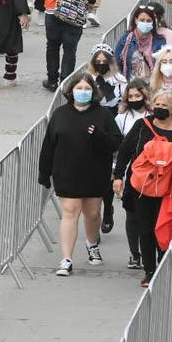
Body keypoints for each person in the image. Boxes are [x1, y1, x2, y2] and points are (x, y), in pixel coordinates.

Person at [112, 86, 172, 286]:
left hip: (170, 190)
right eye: (157, 104)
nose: (160, 108)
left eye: (165, 105)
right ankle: (150, 271)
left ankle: (163, 265)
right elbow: (125, 151)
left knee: (166, 226)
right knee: (145, 228)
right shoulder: (141, 125)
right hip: (142, 187)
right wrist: (118, 177)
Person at [40, 71, 123, 276]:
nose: (83, 92)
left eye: (87, 89)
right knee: (70, 212)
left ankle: (92, 244)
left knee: (92, 214)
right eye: (79, 88)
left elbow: (116, 142)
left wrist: (99, 135)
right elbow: (48, 145)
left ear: (93, 92)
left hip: (95, 172)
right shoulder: (60, 114)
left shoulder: (102, 114)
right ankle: (66, 259)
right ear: (71, 91)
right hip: (66, 172)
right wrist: (44, 172)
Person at [114, 80, 151, 269]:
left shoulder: (152, 116)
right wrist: (117, 174)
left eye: (138, 96)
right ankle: (134, 253)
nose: (135, 99)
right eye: (131, 97)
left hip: (152, 174)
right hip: (132, 171)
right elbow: (122, 148)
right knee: (132, 214)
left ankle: (149, 252)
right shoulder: (122, 118)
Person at [115, 5, 172, 80]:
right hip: (131, 83)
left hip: (153, 83)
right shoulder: (126, 39)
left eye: (148, 20)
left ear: (153, 22)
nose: (145, 23)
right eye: (142, 20)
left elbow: (165, 62)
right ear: (136, 20)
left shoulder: (160, 40)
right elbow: (117, 61)